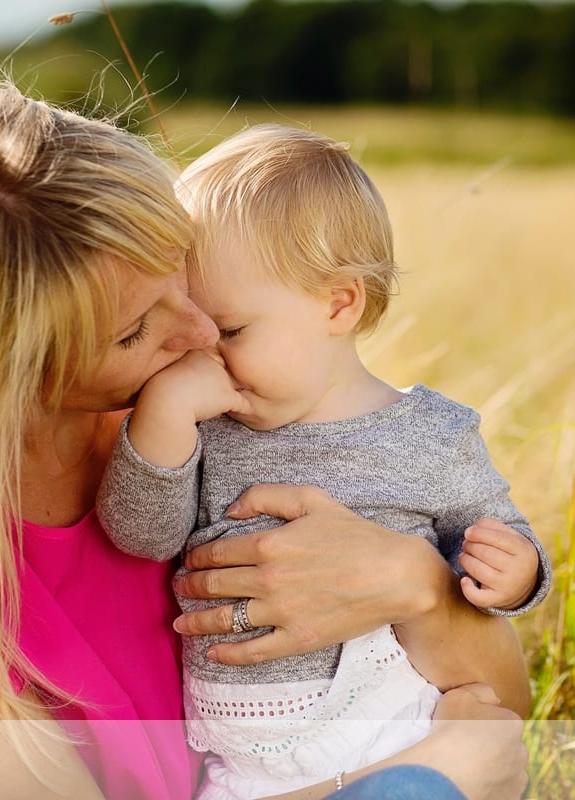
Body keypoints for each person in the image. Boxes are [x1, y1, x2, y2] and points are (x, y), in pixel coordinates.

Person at [0, 75, 531, 800]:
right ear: (5, 373)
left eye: (181, 280)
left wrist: (417, 586)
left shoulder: (209, 424)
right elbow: (477, 754)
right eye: (135, 330)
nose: (198, 334)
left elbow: (503, 709)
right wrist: (415, 777)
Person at [96, 124, 551, 800]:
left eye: (231, 330)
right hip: (241, 769)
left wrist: (516, 574)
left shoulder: (430, 433)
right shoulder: (207, 427)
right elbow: (142, 534)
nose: (203, 353)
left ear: (338, 303)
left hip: (395, 729)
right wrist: (161, 421)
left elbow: (495, 540)